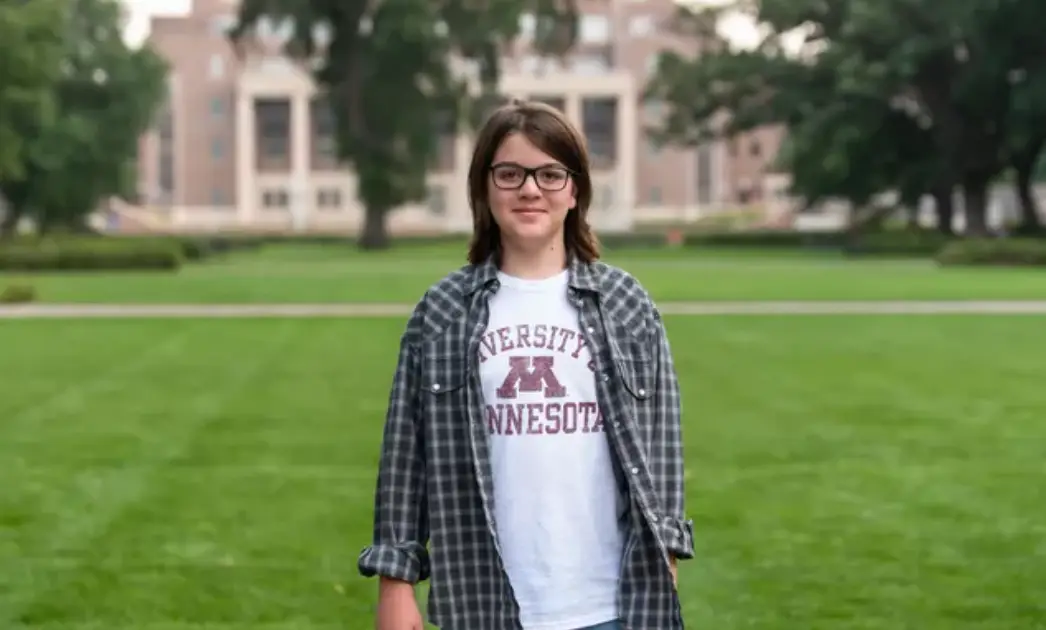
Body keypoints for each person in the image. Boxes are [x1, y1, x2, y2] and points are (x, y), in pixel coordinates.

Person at [358, 99, 694, 630]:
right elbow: (406, 456)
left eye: (550, 174)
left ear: (575, 190)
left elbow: (662, 444)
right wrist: (395, 583)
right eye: (510, 173)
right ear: (484, 187)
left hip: (612, 605)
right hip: (482, 603)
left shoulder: (626, 305)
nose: (530, 190)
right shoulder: (442, 312)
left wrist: (667, 555)